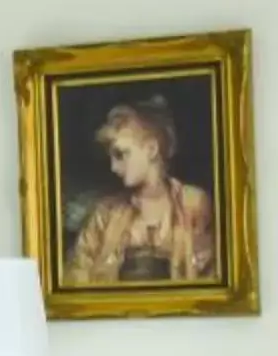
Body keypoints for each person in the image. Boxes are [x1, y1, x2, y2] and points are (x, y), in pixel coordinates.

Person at [64, 96, 216, 285]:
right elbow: (76, 276)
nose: (113, 167)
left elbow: (214, 276)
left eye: (121, 155)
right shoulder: (105, 214)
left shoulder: (194, 204)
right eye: (111, 157)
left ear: (151, 149)